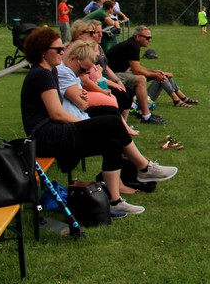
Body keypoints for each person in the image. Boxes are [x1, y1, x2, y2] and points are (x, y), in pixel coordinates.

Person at [19, 26, 178, 216]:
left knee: (113, 141)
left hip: (55, 131)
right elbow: (57, 114)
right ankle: (144, 168)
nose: (62, 52)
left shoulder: (49, 71)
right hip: (47, 136)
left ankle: (115, 200)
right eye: (58, 49)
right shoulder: (42, 74)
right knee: (111, 122)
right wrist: (84, 125)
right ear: (42, 52)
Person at [106, 25, 198, 120]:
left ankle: (181, 98)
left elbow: (137, 68)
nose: (150, 40)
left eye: (150, 38)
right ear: (138, 37)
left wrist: (156, 72)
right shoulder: (132, 46)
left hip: (119, 75)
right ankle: (149, 113)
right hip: (112, 77)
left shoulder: (132, 44)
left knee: (160, 75)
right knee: (144, 78)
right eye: (147, 38)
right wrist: (155, 74)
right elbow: (136, 70)